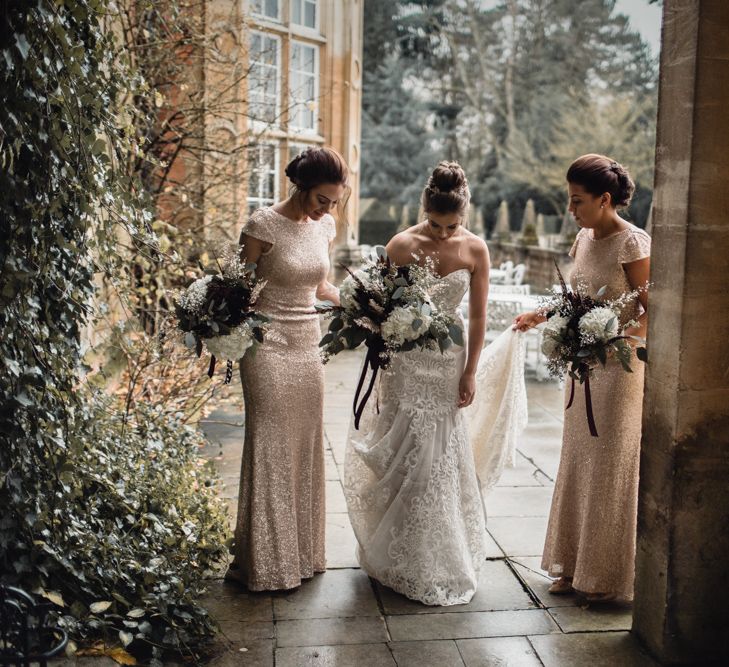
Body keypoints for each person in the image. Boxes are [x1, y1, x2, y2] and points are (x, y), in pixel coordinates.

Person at [343, 161, 527, 605]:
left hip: (449, 362)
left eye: (453, 225)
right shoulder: (402, 244)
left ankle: (439, 552)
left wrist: (469, 371)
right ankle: (396, 552)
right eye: (436, 223)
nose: (444, 233)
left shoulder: (476, 249)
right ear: (424, 208)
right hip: (406, 363)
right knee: (406, 449)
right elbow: (377, 306)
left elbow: (479, 316)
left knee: (438, 454)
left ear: (463, 214)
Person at [514, 154, 651, 602]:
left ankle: (607, 578)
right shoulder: (583, 239)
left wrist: (614, 338)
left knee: (609, 467)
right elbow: (575, 295)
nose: (571, 209)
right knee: (577, 464)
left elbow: (653, 310)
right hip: (581, 369)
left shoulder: (633, 243)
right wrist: (543, 314)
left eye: (577, 201)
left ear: (605, 199)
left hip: (620, 369)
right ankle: (572, 567)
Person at [226, 146, 348, 591]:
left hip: (307, 344)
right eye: (322, 199)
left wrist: (361, 300)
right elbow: (237, 293)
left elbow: (320, 286)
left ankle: (301, 554)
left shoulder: (325, 226)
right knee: (271, 444)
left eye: (334, 201)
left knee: (303, 444)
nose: (328, 209)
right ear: (301, 187)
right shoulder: (261, 226)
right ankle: (265, 563)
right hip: (266, 348)